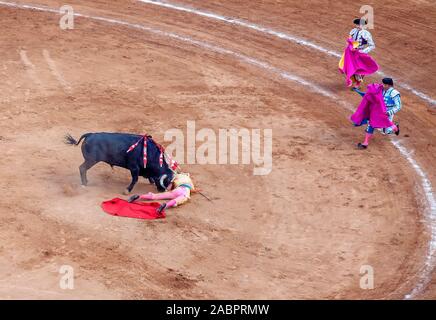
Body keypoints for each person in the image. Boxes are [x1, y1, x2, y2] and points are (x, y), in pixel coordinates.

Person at [351, 78, 401, 149]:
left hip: (387, 111)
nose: (382, 85)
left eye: (384, 84)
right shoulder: (380, 89)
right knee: (371, 124)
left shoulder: (395, 93)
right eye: (383, 84)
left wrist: (389, 112)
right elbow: (371, 93)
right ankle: (365, 143)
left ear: (389, 85)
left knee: (386, 130)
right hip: (377, 110)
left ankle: (396, 128)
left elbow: (398, 106)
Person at [128, 172, 194, 214]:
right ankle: (166, 205)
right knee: (177, 200)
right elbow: (192, 190)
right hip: (185, 191)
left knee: (156, 196)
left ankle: (140, 196)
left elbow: (169, 187)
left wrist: (167, 191)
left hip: (177, 190)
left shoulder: (177, 176)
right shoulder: (190, 181)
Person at [344, 18, 376, 87]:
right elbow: (349, 41)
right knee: (350, 66)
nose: (358, 26)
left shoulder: (366, 34)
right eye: (357, 24)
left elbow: (372, 45)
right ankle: (351, 79)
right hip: (352, 53)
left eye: (360, 25)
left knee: (361, 68)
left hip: (361, 52)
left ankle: (358, 83)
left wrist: (363, 51)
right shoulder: (352, 31)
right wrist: (349, 48)